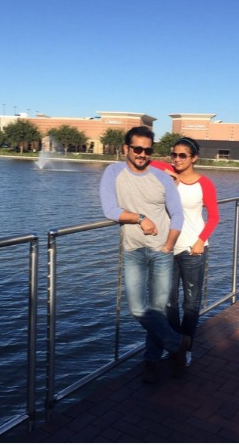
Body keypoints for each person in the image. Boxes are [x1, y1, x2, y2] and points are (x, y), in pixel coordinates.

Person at [99, 126, 191, 383]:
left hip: (161, 251)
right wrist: (140, 218)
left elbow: (177, 214)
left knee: (158, 311)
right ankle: (179, 343)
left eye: (147, 150)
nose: (142, 154)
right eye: (137, 149)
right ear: (126, 148)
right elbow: (109, 210)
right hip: (133, 250)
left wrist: (169, 244)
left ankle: (151, 359)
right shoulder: (113, 172)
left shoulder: (161, 178)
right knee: (138, 309)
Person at [156, 137, 220, 367]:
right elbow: (141, 161)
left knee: (191, 303)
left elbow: (214, 216)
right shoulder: (166, 174)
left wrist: (201, 241)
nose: (177, 159)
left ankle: (187, 347)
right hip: (168, 247)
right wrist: (167, 171)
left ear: (194, 158)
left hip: (193, 248)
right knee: (168, 302)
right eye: (173, 154)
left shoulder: (204, 184)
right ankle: (175, 344)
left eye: (183, 155)